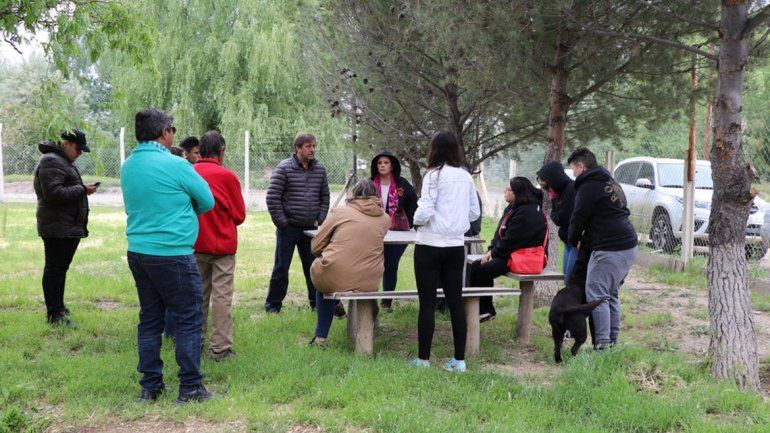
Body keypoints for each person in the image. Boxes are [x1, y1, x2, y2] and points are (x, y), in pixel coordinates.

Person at [121, 108, 215, 403]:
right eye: (172, 128)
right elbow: (207, 201)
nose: (173, 133)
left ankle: (150, 387)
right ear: (165, 133)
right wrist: (186, 213)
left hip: (138, 251)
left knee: (150, 319)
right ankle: (190, 387)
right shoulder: (177, 165)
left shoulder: (127, 166)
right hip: (173, 252)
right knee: (188, 319)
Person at [410, 130, 480, 373]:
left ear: (434, 150)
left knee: (427, 303)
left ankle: (423, 359)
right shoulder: (466, 177)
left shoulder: (433, 175)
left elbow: (425, 210)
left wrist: (416, 221)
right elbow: (474, 213)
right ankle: (458, 361)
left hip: (429, 244)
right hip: (455, 246)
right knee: (455, 302)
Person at [567, 147, 638, 351]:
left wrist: (574, 239)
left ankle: (602, 346)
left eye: (573, 170)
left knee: (597, 294)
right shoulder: (609, 182)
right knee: (610, 293)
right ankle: (612, 342)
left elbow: (578, 217)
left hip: (610, 247)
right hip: (627, 243)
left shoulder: (589, 186)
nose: (573, 174)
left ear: (581, 166)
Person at [308, 179, 389, 347]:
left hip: (336, 274)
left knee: (324, 279)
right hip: (370, 279)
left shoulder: (340, 212)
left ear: (353, 194)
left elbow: (315, 246)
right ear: (376, 196)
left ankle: (321, 337)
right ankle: (371, 320)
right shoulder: (385, 219)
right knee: (354, 274)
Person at [265, 132, 336, 316]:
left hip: (311, 230)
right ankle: (273, 306)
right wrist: (283, 223)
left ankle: (316, 304)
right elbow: (273, 198)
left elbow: (325, 196)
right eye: (308, 146)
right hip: (288, 228)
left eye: (314, 146)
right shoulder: (284, 168)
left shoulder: (319, 169)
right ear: (297, 148)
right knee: (281, 268)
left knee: (313, 268)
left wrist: (320, 218)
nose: (312, 149)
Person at [33, 129, 98, 327]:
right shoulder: (51, 161)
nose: (79, 154)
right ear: (66, 143)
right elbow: (54, 193)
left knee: (59, 269)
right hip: (58, 227)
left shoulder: (59, 160)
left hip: (64, 225)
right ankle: (55, 314)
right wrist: (83, 189)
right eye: (78, 149)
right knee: (55, 269)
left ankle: (58, 306)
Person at [193, 130, 246, 362]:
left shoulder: (190, 172)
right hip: (223, 245)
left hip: (195, 243)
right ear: (221, 151)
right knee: (222, 297)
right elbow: (239, 215)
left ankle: (195, 341)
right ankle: (220, 348)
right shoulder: (228, 177)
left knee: (198, 295)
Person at [470, 177, 547, 322]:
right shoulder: (512, 208)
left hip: (524, 257)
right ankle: (483, 309)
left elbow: (513, 240)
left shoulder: (528, 212)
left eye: (508, 189)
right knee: (476, 266)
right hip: (510, 253)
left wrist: (493, 253)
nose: (504, 191)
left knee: (482, 269)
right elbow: (499, 233)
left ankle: (485, 310)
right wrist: (490, 250)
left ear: (518, 193)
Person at [369, 151, 418, 313]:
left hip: (399, 232)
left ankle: (387, 301)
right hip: (374, 232)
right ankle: (369, 300)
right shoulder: (369, 184)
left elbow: (413, 205)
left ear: (392, 166)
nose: (382, 165)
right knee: (373, 266)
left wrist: (411, 223)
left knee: (391, 264)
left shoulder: (402, 184)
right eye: (379, 163)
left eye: (386, 163)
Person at [537, 161, 577, 285]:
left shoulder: (571, 190)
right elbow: (556, 217)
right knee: (566, 279)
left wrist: (555, 202)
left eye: (548, 187)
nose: (548, 191)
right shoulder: (559, 193)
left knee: (570, 280)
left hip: (576, 241)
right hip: (568, 240)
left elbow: (561, 218)